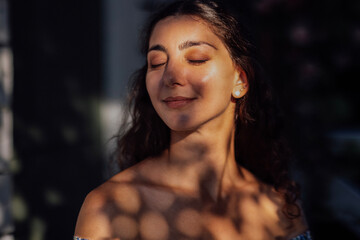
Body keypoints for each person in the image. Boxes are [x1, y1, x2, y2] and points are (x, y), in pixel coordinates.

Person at [74, 0, 312, 239]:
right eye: (156, 63)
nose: (171, 77)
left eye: (196, 59)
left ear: (240, 80)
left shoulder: (279, 210)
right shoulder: (110, 207)